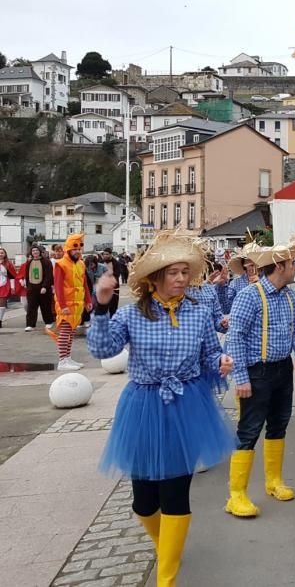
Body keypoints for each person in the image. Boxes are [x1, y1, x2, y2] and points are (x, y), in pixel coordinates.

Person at [87, 233, 236, 586]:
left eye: (185, 272)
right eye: (174, 272)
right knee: (144, 502)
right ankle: (167, 545)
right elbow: (102, 350)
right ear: (155, 278)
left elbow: (208, 356)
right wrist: (101, 306)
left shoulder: (199, 313)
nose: (182, 279)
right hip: (144, 408)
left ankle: (165, 578)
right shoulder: (131, 315)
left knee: (175, 494)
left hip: (187, 406)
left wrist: (222, 361)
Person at [224, 243, 295, 518]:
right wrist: (241, 378)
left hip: (282, 370)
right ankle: (236, 495)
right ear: (280, 267)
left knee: (278, 425)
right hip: (256, 372)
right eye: (292, 264)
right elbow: (234, 337)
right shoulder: (249, 296)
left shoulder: (288, 297)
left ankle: (274, 482)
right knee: (249, 431)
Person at [50, 233, 92, 370]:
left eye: (79, 249)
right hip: (66, 304)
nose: (78, 251)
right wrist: (62, 305)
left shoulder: (81, 264)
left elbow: (84, 283)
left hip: (77, 304)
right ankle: (62, 360)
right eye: (75, 249)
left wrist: (88, 300)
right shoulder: (60, 265)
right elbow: (58, 287)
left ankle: (67, 358)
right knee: (65, 332)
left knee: (71, 332)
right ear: (68, 249)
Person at [20, 245, 54, 331]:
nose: (35, 252)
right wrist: (27, 286)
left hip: (43, 287)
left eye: (36, 250)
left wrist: (45, 286)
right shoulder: (29, 262)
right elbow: (27, 275)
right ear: (31, 253)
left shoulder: (46, 262)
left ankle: (48, 322)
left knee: (45, 306)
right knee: (31, 307)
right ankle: (30, 325)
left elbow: (49, 275)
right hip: (32, 287)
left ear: (40, 252)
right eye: (33, 251)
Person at [0, 246, 19, 329]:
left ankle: (0, 320)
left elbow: (12, 276)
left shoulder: (8, 263)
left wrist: (12, 287)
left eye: (2, 253)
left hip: (4, 285)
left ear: (5, 254)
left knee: (2, 303)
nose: (0, 254)